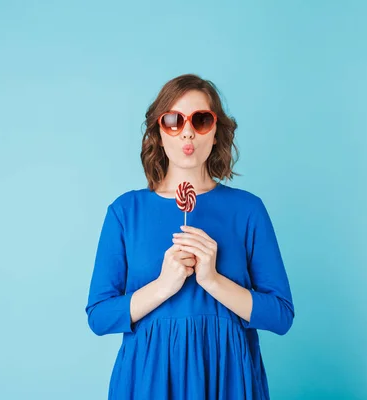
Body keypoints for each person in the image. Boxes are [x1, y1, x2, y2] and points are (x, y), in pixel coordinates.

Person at [85, 74, 295, 399]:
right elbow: (99, 317)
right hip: (148, 378)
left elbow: (281, 315)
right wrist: (163, 286)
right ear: (158, 131)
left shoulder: (248, 210)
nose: (187, 131)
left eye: (201, 120)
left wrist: (212, 280)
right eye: (173, 120)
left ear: (216, 133)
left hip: (227, 375)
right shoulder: (126, 211)